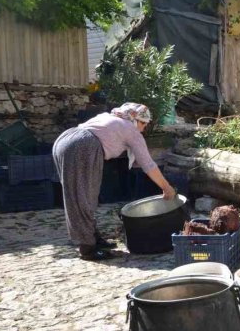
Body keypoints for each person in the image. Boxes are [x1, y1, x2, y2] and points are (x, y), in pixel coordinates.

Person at [52, 102, 177, 260]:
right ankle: (88, 249)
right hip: (83, 147)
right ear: (135, 119)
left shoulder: (109, 117)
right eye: (143, 123)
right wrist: (166, 187)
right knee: (83, 197)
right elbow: (148, 164)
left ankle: (93, 238)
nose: (144, 128)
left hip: (66, 140)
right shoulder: (130, 129)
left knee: (82, 195)